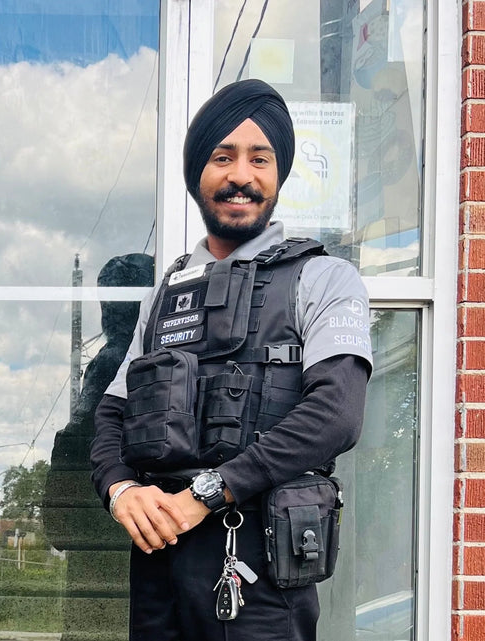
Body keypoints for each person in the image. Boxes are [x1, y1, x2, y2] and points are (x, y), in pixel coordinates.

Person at [89, 78, 373, 641]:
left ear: (279, 174)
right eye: (222, 157)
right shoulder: (165, 294)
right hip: (159, 564)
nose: (240, 175)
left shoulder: (324, 278)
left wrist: (209, 492)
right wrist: (122, 489)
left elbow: (337, 414)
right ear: (198, 172)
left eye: (259, 158)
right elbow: (111, 414)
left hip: (262, 572)